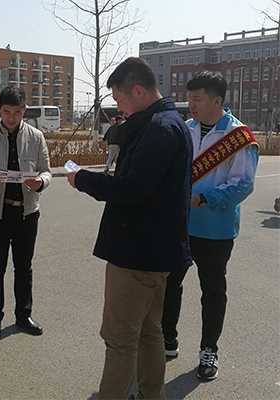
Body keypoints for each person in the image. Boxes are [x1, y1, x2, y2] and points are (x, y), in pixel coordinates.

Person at [66, 57, 193, 400]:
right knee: (149, 332)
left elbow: (134, 189)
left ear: (138, 91)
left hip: (137, 254)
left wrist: (83, 179)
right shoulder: (170, 123)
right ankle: (152, 394)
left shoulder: (158, 129)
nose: (118, 109)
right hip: (157, 251)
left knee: (120, 340)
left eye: (119, 100)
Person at [161, 70, 259, 381]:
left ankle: (209, 350)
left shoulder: (239, 137)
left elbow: (242, 185)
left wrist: (202, 199)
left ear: (217, 101)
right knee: (169, 284)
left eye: (196, 98)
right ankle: (167, 339)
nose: (190, 104)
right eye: (189, 98)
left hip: (216, 229)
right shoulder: (185, 129)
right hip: (181, 224)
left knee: (213, 291)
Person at [0, 86, 52, 341]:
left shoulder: (36, 137)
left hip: (27, 212)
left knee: (24, 267)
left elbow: (46, 171)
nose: (11, 117)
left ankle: (23, 315)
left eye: (17, 112)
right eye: (6, 112)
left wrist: (41, 181)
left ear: (24, 110)